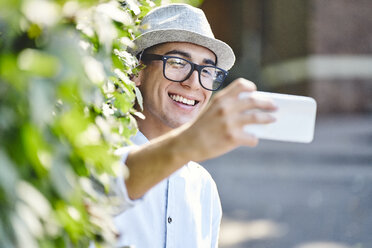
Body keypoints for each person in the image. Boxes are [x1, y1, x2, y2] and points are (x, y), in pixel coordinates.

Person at [109, 3, 277, 248]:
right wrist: (190, 142)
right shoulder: (99, 156)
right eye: (177, 62)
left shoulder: (203, 187)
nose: (194, 83)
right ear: (136, 70)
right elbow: (113, 185)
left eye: (207, 70)